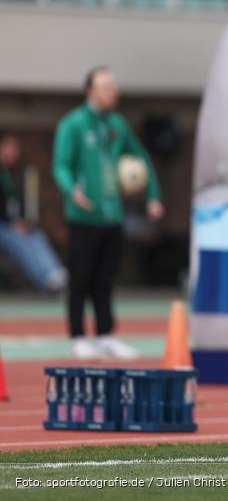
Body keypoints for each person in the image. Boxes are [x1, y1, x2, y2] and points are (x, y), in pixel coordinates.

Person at [52, 67, 165, 360]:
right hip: (83, 217)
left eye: (114, 86)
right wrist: (71, 190)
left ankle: (105, 335)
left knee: (105, 280)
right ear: (89, 90)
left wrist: (153, 196)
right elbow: (60, 164)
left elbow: (141, 157)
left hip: (113, 216)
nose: (112, 91)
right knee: (80, 278)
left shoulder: (117, 125)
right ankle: (77, 335)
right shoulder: (73, 124)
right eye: (105, 86)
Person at [0, 133, 68, 292]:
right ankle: (43, 280)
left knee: (35, 236)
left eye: (15, 149)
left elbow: (21, 204)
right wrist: (13, 223)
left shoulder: (19, 173)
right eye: (8, 148)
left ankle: (54, 273)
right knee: (19, 240)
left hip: (15, 224)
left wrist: (24, 221)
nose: (12, 152)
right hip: (4, 226)